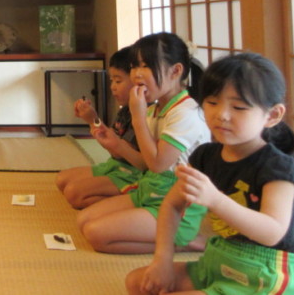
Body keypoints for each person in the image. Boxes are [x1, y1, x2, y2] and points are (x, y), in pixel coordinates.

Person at [126, 52, 294, 295]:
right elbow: (172, 205)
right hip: (219, 261)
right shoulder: (206, 156)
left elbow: (272, 233)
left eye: (238, 107)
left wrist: (216, 200)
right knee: (139, 283)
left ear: (272, 116)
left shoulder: (278, 167)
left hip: (263, 275)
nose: (221, 114)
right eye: (212, 103)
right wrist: (162, 260)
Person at [76, 32, 210, 253]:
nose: (137, 74)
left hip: (178, 206)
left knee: (95, 234)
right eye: (134, 66)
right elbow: (145, 164)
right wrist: (116, 144)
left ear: (176, 71)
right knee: (83, 220)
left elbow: (157, 165)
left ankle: (182, 240)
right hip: (149, 191)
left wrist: (137, 116)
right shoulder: (154, 109)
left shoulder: (186, 113)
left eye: (146, 66)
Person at [56, 46, 142, 208]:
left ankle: (134, 200)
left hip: (132, 175)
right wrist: (92, 120)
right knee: (62, 180)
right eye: (112, 81)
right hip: (116, 166)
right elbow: (113, 150)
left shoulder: (143, 112)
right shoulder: (125, 111)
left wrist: (93, 120)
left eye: (118, 81)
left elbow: (119, 151)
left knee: (73, 193)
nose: (112, 87)